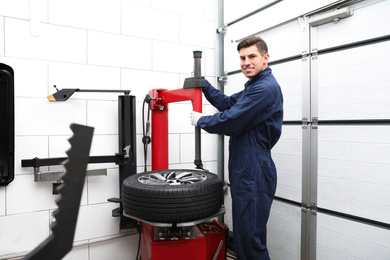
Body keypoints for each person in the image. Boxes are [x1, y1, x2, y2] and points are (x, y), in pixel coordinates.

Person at [190, 36, 283, 260]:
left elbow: (233, 119)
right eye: (242, 58)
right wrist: (205, 86)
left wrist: (201, 120)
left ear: (265, 58)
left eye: (252, 56)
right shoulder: (254, 86)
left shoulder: (265, 89)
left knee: (250, 240)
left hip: (254, 168)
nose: (246, 62)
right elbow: (229, 104)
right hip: (247, 167)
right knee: (244, 236)